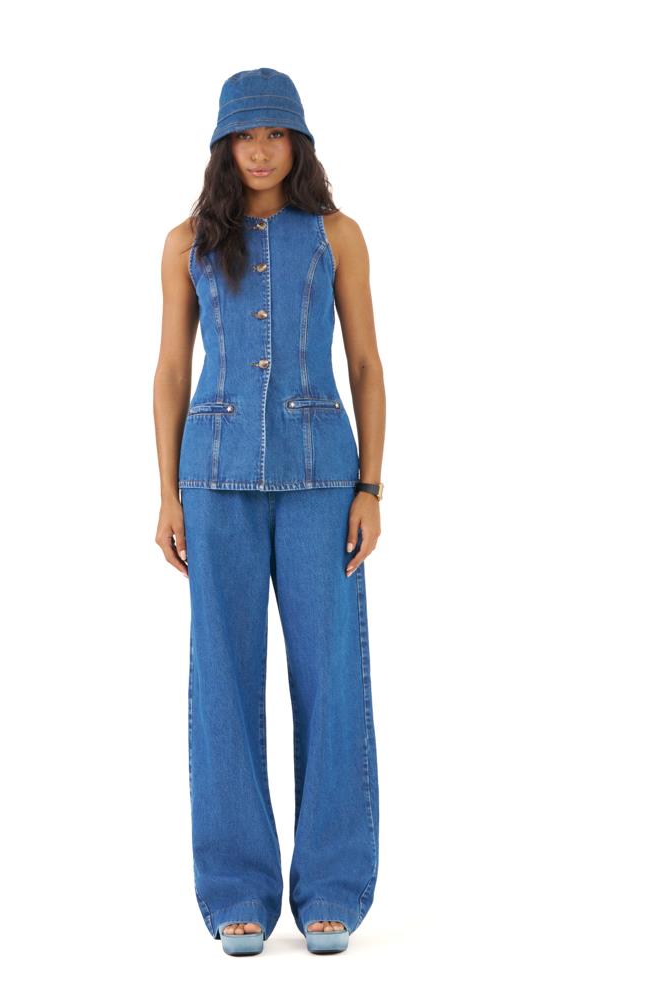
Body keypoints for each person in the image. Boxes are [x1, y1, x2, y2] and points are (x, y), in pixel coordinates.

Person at [153, 68, 385, 956]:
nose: (259, 150)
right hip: (212, 481)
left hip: (323, 479)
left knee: (333, 681)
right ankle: (236, 892)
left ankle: (332, 886)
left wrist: (371, 487)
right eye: (245, 135)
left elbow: (365, 365)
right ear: (223, 145)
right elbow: (171, 372)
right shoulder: (186, 243)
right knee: (222, 681)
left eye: (275, 134)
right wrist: (166, 493)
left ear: (298, 142)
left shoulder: (336, 235)